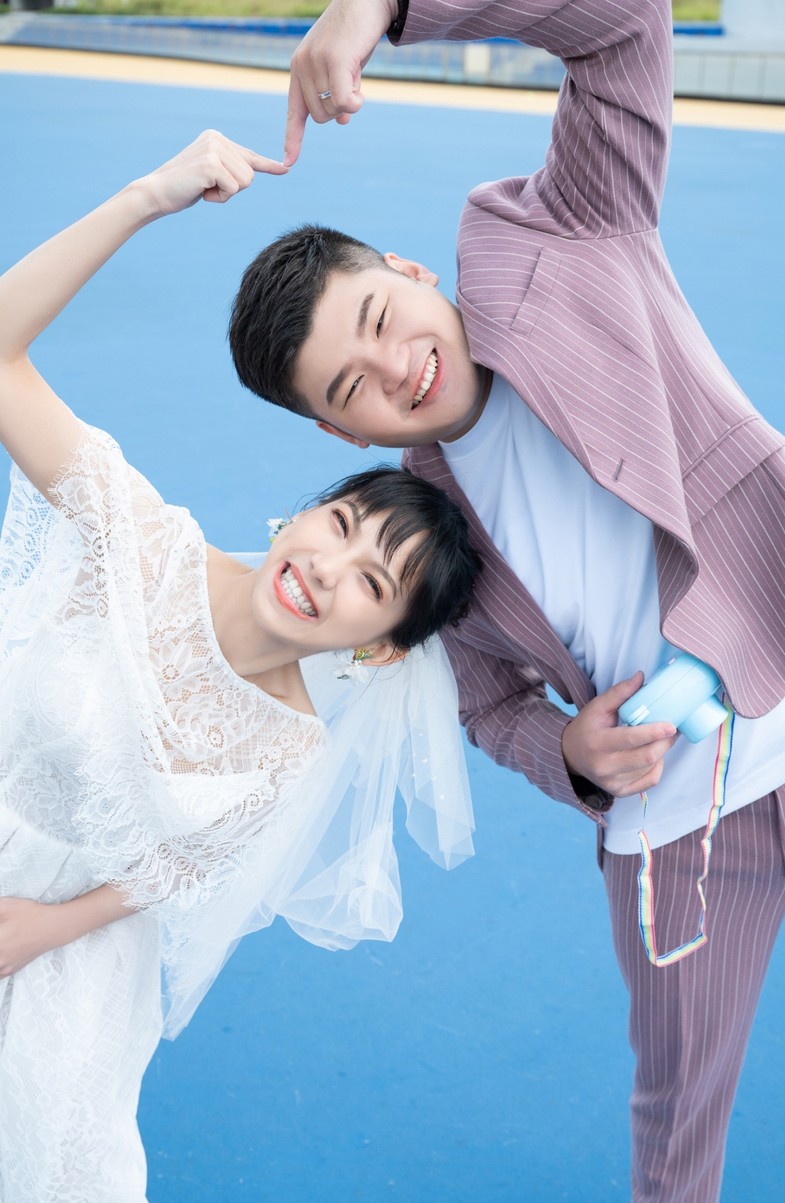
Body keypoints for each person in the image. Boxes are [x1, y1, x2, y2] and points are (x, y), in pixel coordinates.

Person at [227, 2, 785, 1200]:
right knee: (674, 1139)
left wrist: (383, 7)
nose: (397, 369)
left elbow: (623, 24)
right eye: (350, 388)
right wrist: (571, 755)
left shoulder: (564, 231)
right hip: (676, 829)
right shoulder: (416, 534)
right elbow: (487, 708)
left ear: (406, 269)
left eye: (378, 320)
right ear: (339, 433)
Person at [0, 129, 480, 1203]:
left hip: (64, 968)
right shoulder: (136, 538)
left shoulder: (287, 749)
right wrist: (146, 195)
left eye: (371, 583)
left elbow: (172, 869)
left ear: (378, 643)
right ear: (307, 506)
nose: (327, 569)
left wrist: (44, 929)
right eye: (341, 525)